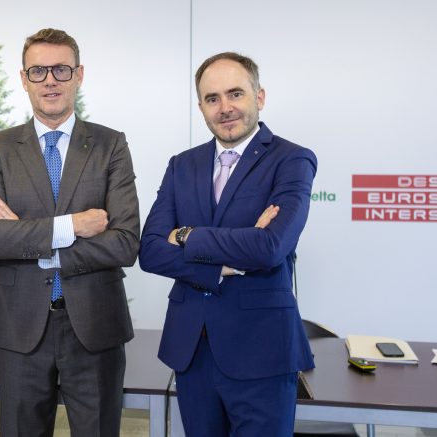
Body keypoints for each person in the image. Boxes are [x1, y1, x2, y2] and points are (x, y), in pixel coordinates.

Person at [0, 28, 140, 436]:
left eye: (61, 69)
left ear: (79, 75)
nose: (50, 80)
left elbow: (125, 242)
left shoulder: (111, 145)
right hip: (19, 327)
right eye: (38, 71)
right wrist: (71, 227)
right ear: (23, 78)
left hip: (95, 325)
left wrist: (28, 238)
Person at [139, 52, 317, 436]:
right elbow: (150, 250)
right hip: (192, 349)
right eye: (212, 98)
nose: (225, 108)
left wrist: (185, 235)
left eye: (236, 94)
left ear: (259, 96)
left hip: (262, 349)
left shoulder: (292, 160)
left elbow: (270, 246)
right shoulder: (182, 165)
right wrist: (220, 265)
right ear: (201, 107)